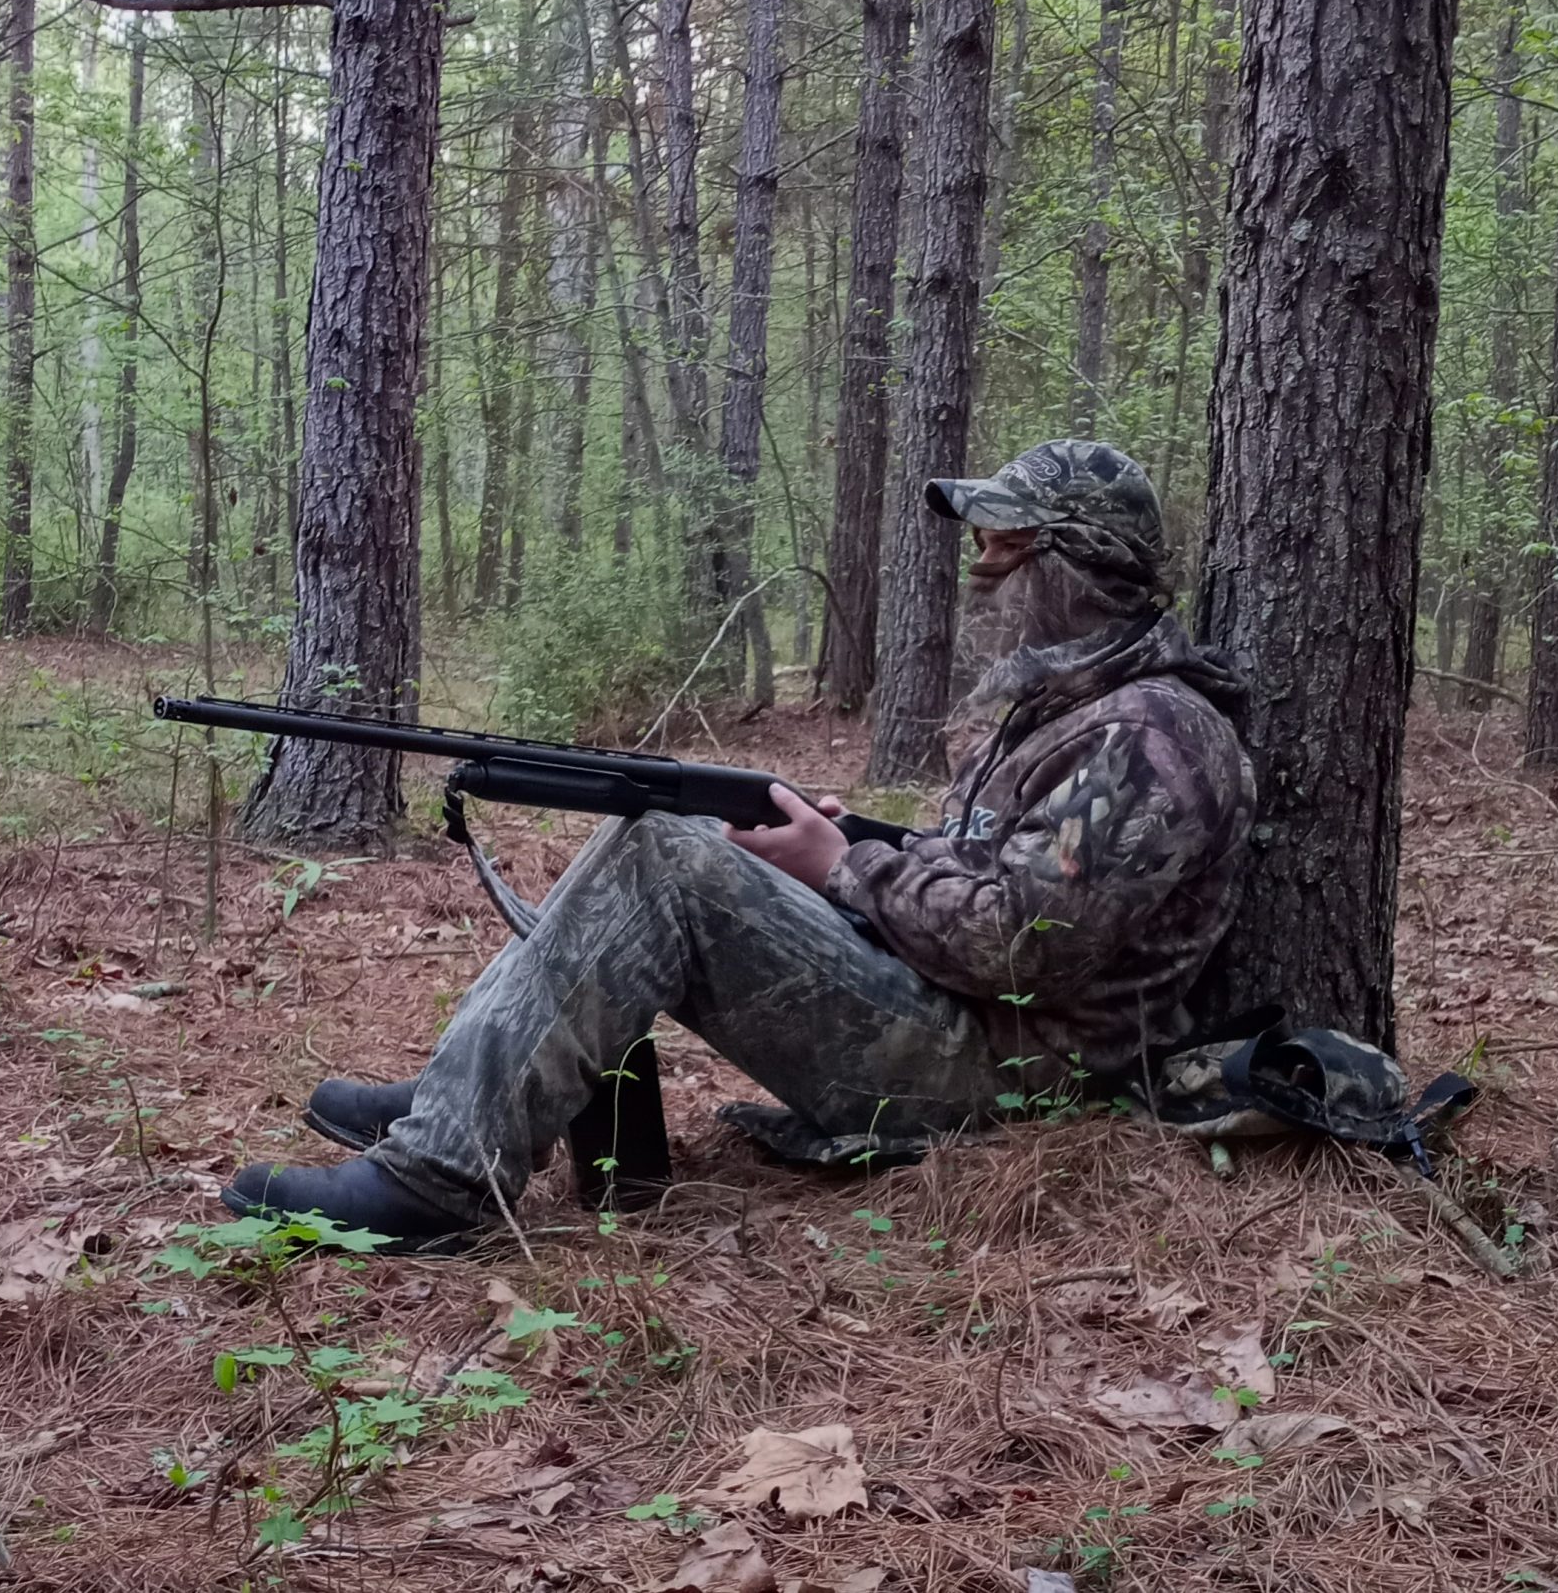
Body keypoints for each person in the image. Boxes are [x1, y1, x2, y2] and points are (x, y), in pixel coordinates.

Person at [223, 440, 1257, 1248]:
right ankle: (472, 1092)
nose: (979, 576)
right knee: (658, 816)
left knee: (667, 857)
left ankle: (437, 1179)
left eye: (1003, 549)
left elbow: (1019, 949)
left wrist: (843, 866)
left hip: (1012, 1083)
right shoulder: (1071, 713)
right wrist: (848, 839)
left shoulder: (1146, 737)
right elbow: (984, 874)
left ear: (1077, 567)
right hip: (970, 1030)